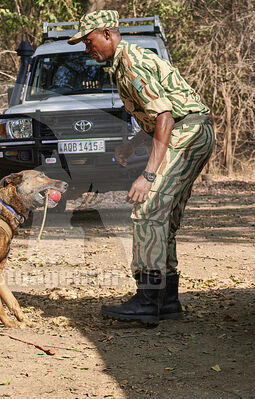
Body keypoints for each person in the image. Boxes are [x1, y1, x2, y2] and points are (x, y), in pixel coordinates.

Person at [68, 10, 215, 326]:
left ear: (108, 34)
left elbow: (165, 117)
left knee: (147, 208)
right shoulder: (122, 64)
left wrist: (148, 175)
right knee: (165, 214)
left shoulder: (132, 63)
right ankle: (167, 299)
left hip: (187, 133)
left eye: (89, 41)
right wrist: (133, 143)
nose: (87, 48)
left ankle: (147, 301)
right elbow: (157, 112)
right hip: (193, 130)